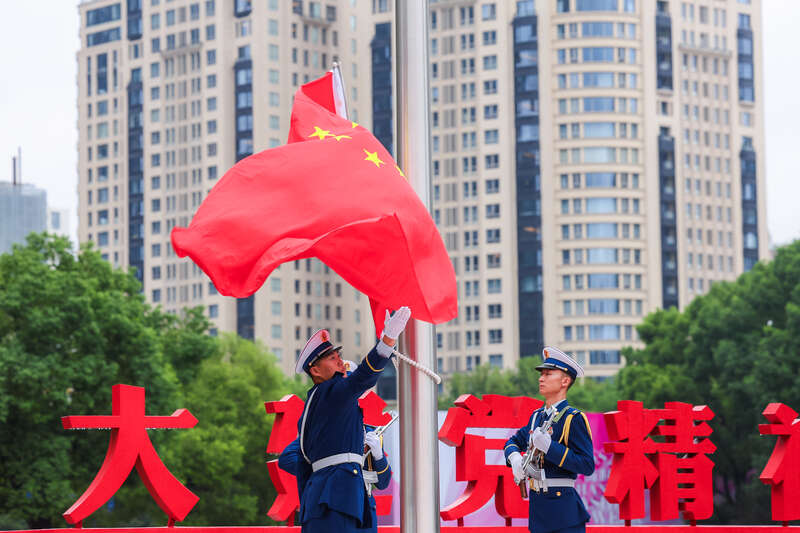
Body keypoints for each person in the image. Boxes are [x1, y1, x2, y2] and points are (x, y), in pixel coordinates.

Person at [292, 306, 410, 532]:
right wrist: (387, 341)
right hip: (336, 498)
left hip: (329, 500)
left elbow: (303, 469)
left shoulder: (319, 403)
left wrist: (308, 507)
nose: (338, 360)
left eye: (338, 355)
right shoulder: (331, 391)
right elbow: (361, 379)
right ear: (315, 371)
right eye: (331, 358)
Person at [504, 346, 595, 533]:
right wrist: (514, 458)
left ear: (565, 381)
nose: (541, 378)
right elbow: (512, 441)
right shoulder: (537, 417)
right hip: (539, 511)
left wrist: (550, 447)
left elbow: (587, 465)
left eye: (548, 374)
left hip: (565, 513)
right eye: (541, 374)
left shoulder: (573, 418)